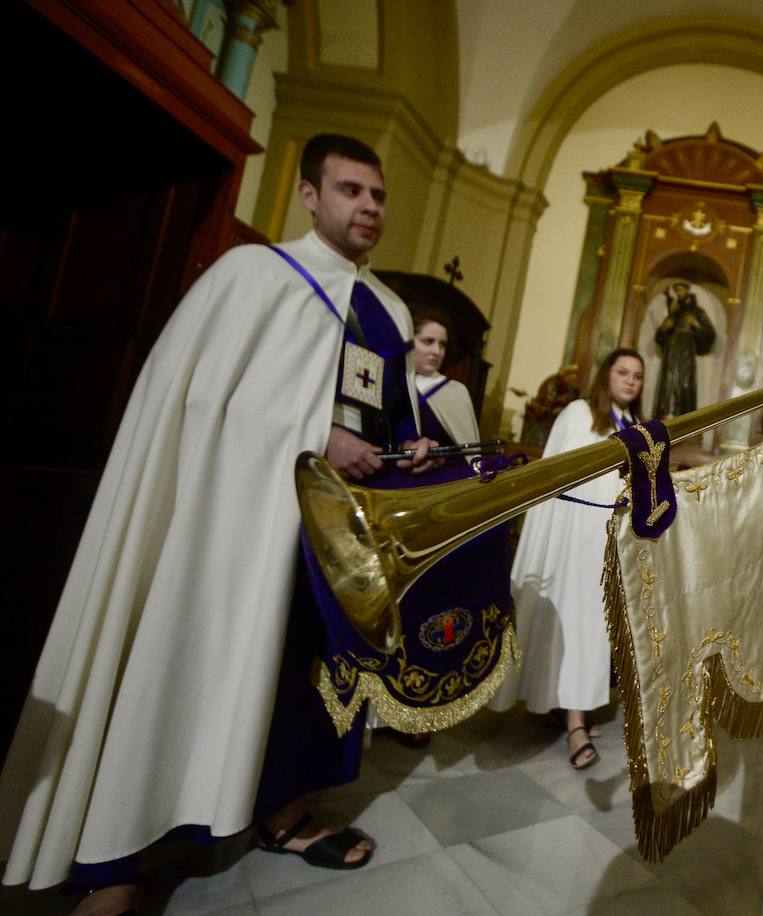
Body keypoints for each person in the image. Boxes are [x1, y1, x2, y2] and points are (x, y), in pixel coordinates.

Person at [0, 134, 439, 913]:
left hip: (338, 535)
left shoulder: (390, 310)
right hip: (238, 523)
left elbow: (388, 408)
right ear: (309, 195)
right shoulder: (255, 275)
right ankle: (116, 855)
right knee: (183, 652)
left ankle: (278, 812)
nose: (368, 206)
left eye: (377, 195)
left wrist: (412, 444)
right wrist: (314, 432)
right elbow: (199, 402)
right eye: (349, 191)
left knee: (311, 676)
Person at [491, 348, 645, 768]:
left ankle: (568, 705)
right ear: (605, 375)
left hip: (605, 539)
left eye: (637, 376)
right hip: (573, 536)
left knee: (593, 627)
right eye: (623, 372)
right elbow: (560, 479)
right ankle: (576, 721)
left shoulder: (630, 425)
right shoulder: (579, 413)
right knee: (576, 623)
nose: (631, 381)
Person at [412, 304, 480, 446]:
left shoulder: (455, 391)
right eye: (428, 341)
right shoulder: (394, 382)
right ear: (410, 342)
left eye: (442, 344)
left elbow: (468, 454)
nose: (437, 351)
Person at [652, 282, 715, 417]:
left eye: (681, 290)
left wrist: (696, 325)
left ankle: (682, 420)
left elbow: (710, 335)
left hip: (685, 356)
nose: (679, 293)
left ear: (687, 291)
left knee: (684, 385)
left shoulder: (698, 312)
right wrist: (663, 329)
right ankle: (664, 417)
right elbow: (659, 338)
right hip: (670, 355)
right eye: (677, 291)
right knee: (667, 388)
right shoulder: (674, 313)